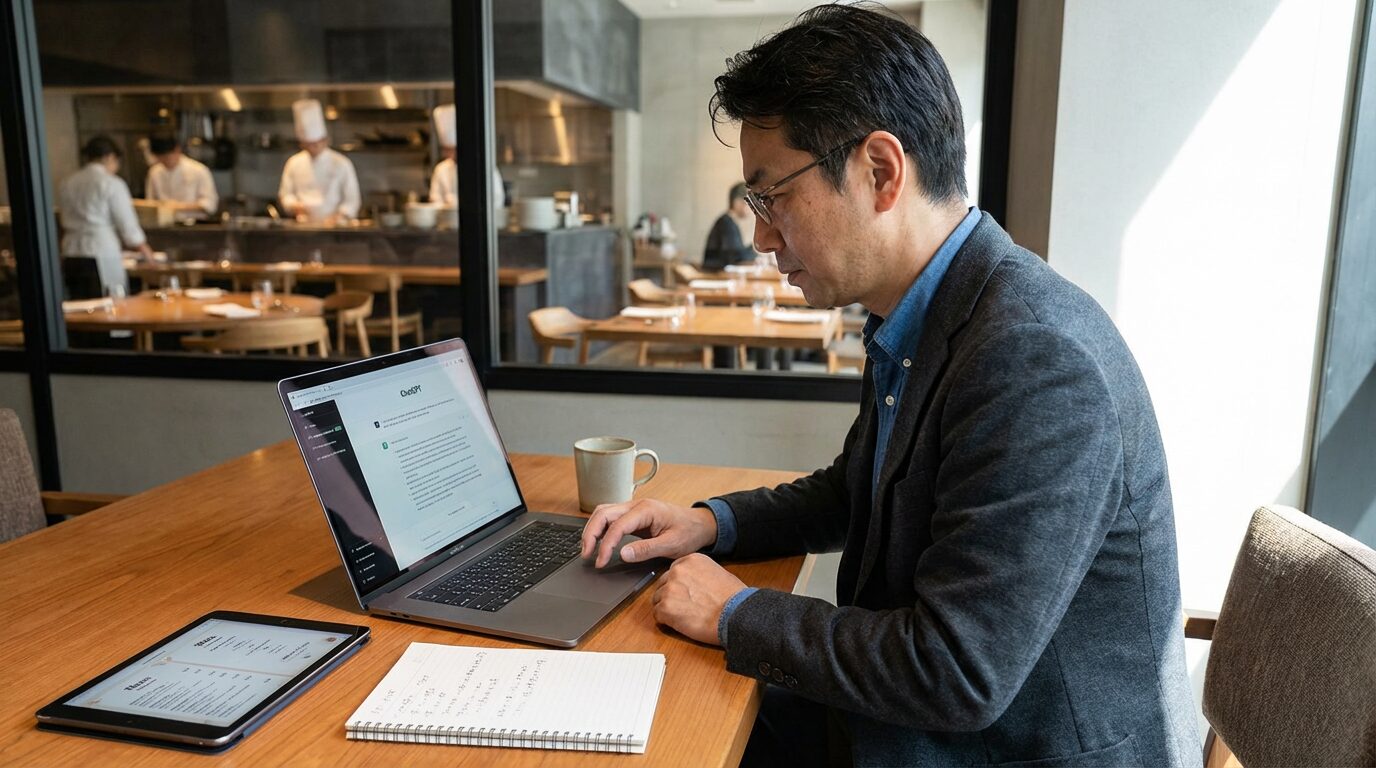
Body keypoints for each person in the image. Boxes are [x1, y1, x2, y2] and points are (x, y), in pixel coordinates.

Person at [579, 5, 1199, 767]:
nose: (760, 236)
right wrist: (711, 524)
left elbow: (956, 670)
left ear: (880, 171)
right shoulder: (929, 311)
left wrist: (737, 613)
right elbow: (859, 490)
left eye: (771, 197)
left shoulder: (1033, 357)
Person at [58, 135, 152, 299]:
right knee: (108, 303)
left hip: (70, 251)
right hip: (100, 251)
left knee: (78, 306)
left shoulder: (67, 182)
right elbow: (127, 224)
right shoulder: (111, 183)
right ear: (110, 157)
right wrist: (146, 251)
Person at [279, 99, 360, 224]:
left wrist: (338, 217)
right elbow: (286, 195)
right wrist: (295, 206)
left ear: (325, 140)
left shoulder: (342, 163)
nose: (312, 148)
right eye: (308, 145)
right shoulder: (294, 163)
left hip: (336, 229)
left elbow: (352, 200)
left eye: (316, 144)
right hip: (303, 227)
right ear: (302, 144)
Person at [429, 102, 507, 213]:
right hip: (447, 223)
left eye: (451, 149)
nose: (447, 154)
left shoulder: (484, 166)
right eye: (445, 149)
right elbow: (434, 199)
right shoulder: (441, 169)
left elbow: (498, 199)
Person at [144, 134, 218, 218]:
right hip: (163, 224)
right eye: (160, 158)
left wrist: (177, 207)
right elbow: (150, 202)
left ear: (177, 150)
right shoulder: (154, 172)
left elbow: (210, 204)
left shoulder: (199, 170)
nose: (164, 161)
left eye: (167, 157)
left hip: (194, 223)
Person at [701, 182, 755, 271]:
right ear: (737, 202)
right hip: (716, 276)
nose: (751, 208)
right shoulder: (726, 223)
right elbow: (736, 258)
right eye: (749, 203)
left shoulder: (728, 221)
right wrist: (754, 250)